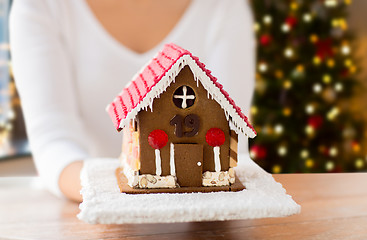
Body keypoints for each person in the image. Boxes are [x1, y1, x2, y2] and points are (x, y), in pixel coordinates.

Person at [9, 0, 255, 202]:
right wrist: (118, 196)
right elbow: (54, 141)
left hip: (202, 221)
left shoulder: (224, 7)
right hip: (86, 211)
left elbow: (230, 139)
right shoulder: (42, 6)